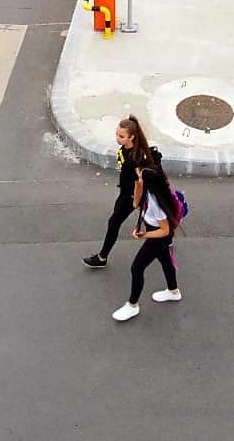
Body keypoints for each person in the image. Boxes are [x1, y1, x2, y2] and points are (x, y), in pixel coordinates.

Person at [83, 115, 159, 269]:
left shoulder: (135, 157)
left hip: (131, 195)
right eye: (117, 134)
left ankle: (102, 257)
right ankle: (166, 236)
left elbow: (140, 182)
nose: (118, 138)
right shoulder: (128, 149)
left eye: (121, 136)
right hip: (125, 191)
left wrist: (135, 201)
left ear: (132, 137)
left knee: (114, 222)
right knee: (151, 217)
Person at [111, 163, 182, 322]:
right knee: (165, 261)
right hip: (157, 235)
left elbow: (164, 230)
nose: (138, 176)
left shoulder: (157, 204)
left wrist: (144, 235)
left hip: (158, 236)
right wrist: (138, 184)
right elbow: (136, 204)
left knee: (137, 268)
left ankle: (132, 305)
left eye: (140, 175)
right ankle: (173, 291)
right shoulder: (150, 191)